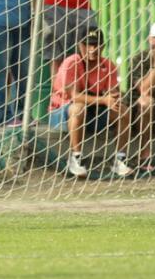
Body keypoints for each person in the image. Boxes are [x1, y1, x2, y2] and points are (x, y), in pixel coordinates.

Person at [47, 28, 131, 178]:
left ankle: (120, 159)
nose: (92, 49)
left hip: (92, 111)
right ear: (80, 45)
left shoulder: (108, 65)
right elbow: (74, 96)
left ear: (103, 46)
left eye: (96, 45)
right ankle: (76, 158)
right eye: (88, 45)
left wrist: (114, 97)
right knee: (78, 108)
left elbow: (112, 92)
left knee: (122, 110)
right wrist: (104, 100)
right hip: (62, 112)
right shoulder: (71, 62)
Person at [125, 20, 155, 174]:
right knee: (146, 102)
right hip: (138, 115)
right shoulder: (140, 59)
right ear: (150, 39)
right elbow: (144, 89)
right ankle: (144, 155)